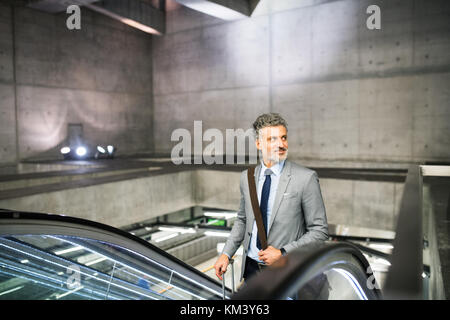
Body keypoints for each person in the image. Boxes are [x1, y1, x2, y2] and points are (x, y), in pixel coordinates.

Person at [214, 113, 329, 284]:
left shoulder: (305, 178)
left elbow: (319, 231)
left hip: (287, 272)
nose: (281, 144)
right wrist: (226, 253)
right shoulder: (247, 177)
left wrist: (283, 252)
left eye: (283, 138)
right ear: (259, 144)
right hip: (251, 270)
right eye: (273, 139)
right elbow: (243, 220)